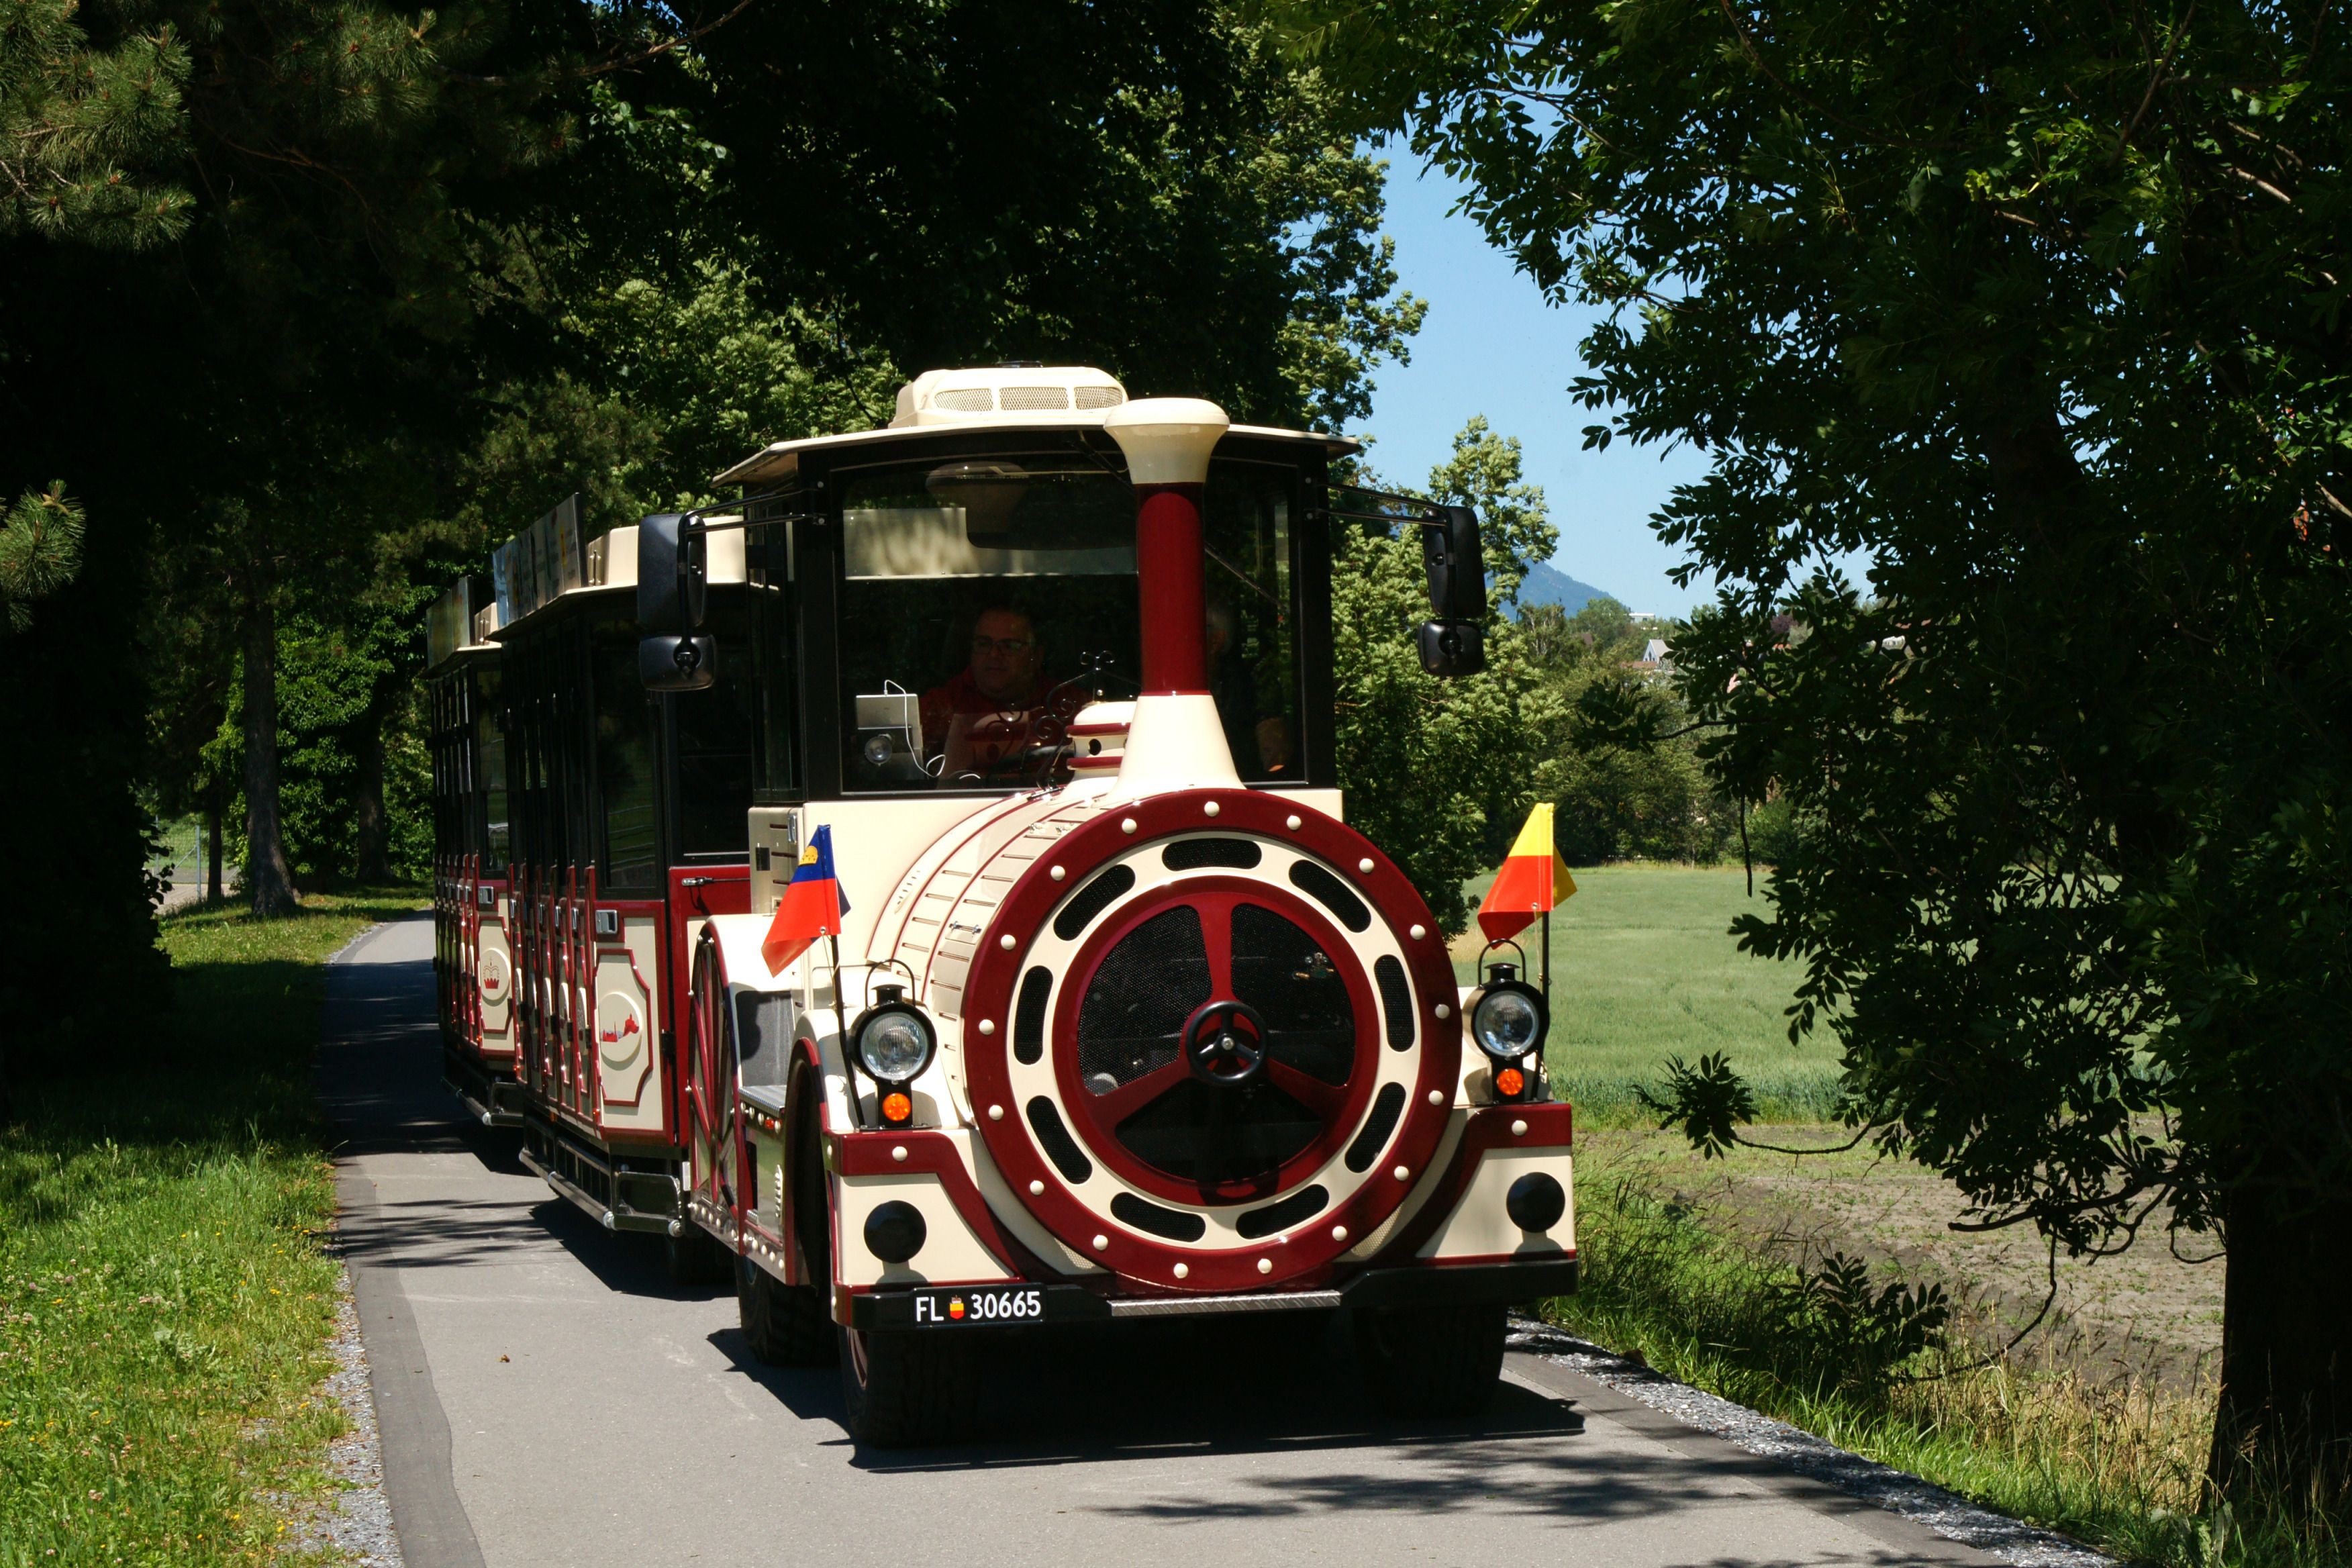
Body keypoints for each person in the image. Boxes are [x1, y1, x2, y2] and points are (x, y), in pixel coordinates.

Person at [920, 606, 1083, 781]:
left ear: (1036, 655)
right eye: (984, 644)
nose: (994, 654)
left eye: (1010, 646)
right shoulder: (941, 707)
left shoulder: (1071, 707)